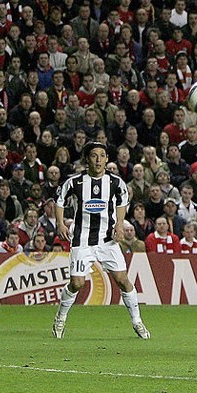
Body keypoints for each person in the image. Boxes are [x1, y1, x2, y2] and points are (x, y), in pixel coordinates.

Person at [52, 142, 150, 339]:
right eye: (94, 155)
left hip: (108, 240)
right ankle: (60, 318)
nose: (98, 160)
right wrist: (60, 223)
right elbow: (59, 200)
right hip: (82, 239)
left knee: (122, 280)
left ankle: (137, 321)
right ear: (87, 158)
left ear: (107, 159)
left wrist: (120, 225)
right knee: (77, 283)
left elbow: (122, 202)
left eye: (102, 156)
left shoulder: (115, 182)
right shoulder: (75, 182)